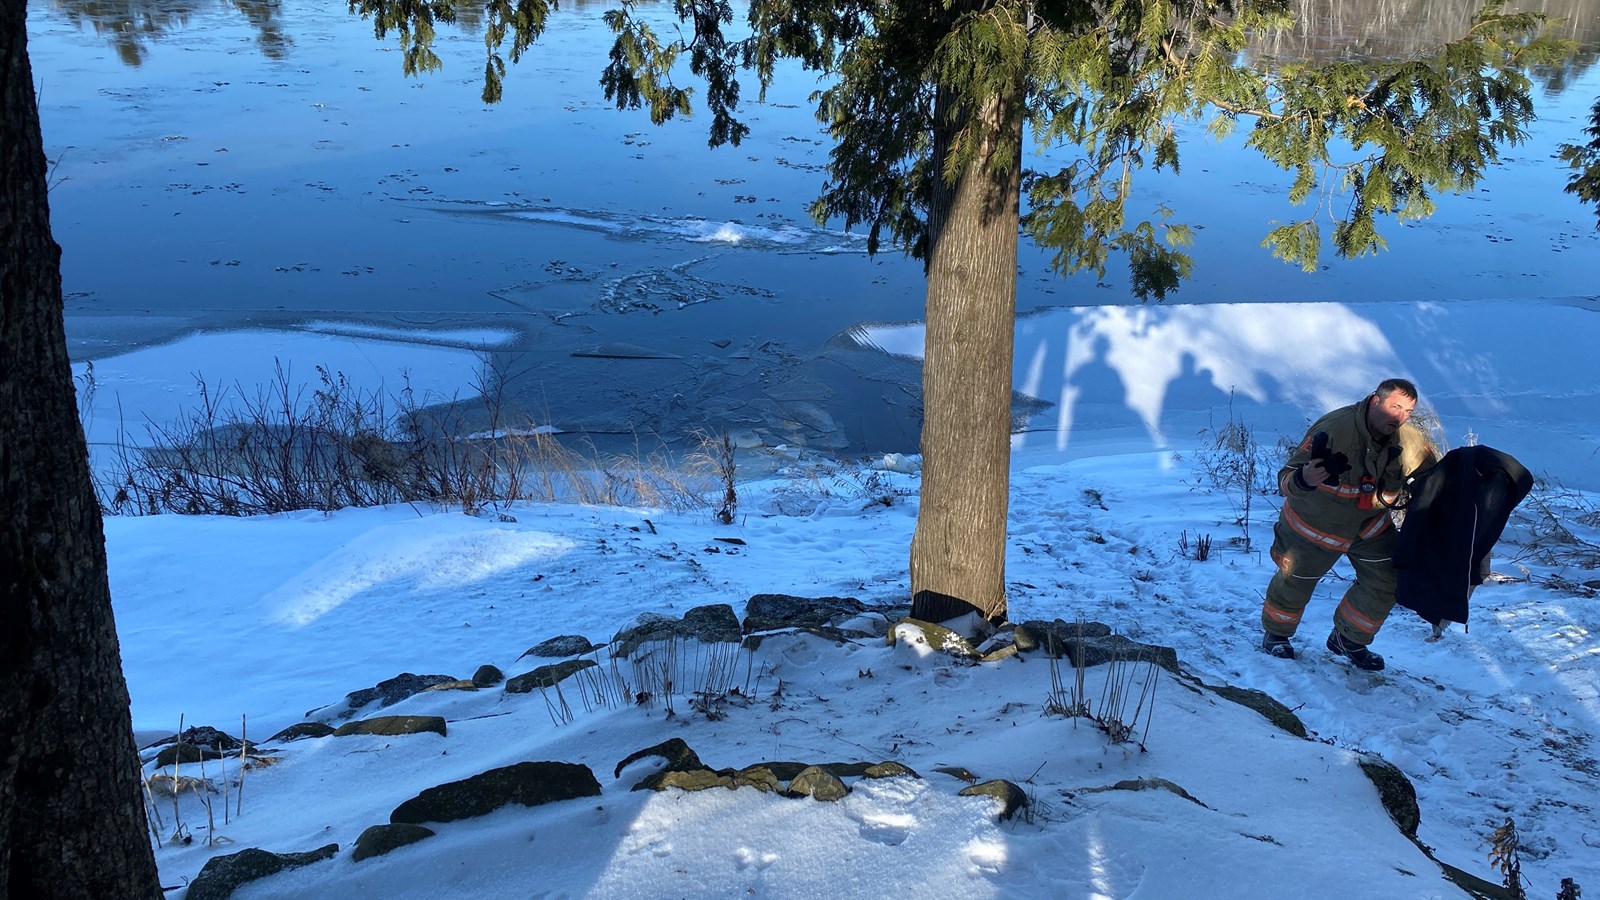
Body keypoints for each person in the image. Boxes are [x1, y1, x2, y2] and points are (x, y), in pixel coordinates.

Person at [1259, 378, 1439, 671]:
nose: (1400, 417)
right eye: (1395, 407)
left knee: (1388, 578)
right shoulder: (1333, 429)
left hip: (1368, 526)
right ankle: (1276, 635)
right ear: (1375, 401)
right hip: (1313, 526)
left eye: (1408, 411)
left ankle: (1348, 639)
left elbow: (1433, 476)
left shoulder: (1409, 440)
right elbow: (1286, 478)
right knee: (1295, 582)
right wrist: (1305, 478)